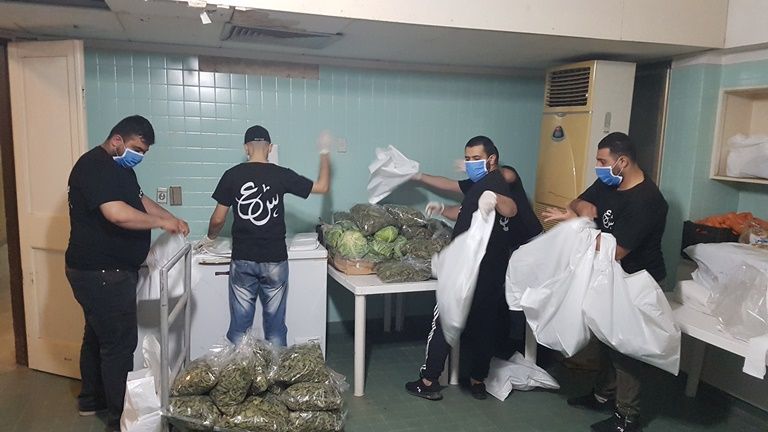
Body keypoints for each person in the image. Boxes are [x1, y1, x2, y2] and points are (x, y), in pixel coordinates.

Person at [65, 115, 190, 430]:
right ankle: (118, 419)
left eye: (144, 152)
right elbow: (117, 214)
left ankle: (91, 399)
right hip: (101, 273)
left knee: (98, 336)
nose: (140, 156)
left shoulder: (121, 170)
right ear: (117, 140)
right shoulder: (93, 166)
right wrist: (162, 224)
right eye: (137, 148)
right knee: (119, 345)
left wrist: (172, 218)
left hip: (105, 272)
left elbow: (140, 201)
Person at [542, 132, 668, 432]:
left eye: (602, 161)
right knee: (606, 339)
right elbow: (577, 201)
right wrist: (582, 209)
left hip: (637, 280)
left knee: (625, 348)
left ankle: (628, 417)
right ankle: (602, 396)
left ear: (621, 161)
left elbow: (617, 250)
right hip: (610, 276)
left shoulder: (647, 201)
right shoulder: (609, 182)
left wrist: (577, 225)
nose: (598, 167)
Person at [404, 135, 519, 401]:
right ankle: (478, 380)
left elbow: (511, 208)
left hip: (470, 268)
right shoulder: (481, 183)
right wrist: (442, 209)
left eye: (476, 158)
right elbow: (466, 210)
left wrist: (494, 198)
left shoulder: (495, 182)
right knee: (484, 325)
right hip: (490, 270)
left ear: (491, 159)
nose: (470, 163)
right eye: (467, 158)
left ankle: (429, 380)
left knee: (444, 317)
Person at [199, 126, 331, 347]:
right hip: (275, 259)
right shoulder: (281, 174)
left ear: (246, 148)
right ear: (269, 148)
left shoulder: (232, 175)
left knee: (239, 327)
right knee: (275, 327)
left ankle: (239, 369)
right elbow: (322, 187)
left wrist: (210, 238)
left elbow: (218, 219)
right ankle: (276, 369)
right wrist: (324, 152)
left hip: (243, 258)